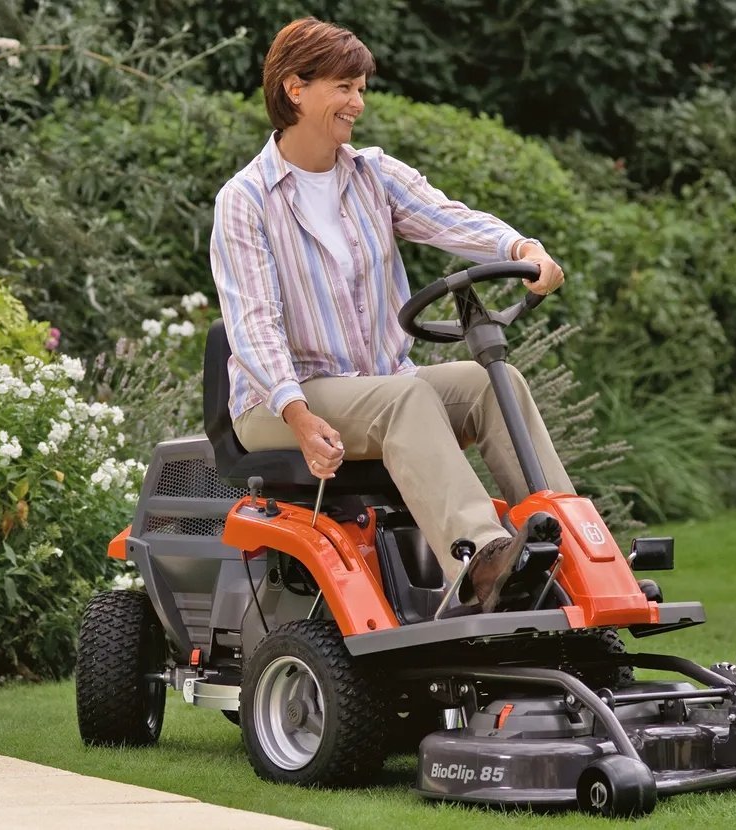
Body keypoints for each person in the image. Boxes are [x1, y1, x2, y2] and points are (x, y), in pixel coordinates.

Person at [209, 17, 575, 612]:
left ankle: (572, 550)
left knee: (493, 382)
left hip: (380, 385)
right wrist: (298, 416)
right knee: (405, 399)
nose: (358, 103)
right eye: (344, 87)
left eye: (361, 88)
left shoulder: (372, 174)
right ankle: (483, 562)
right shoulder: (245, 201)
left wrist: (520, 247)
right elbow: (253, 324)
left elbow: (449, 218)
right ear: (295, 89)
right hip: (280, 401)